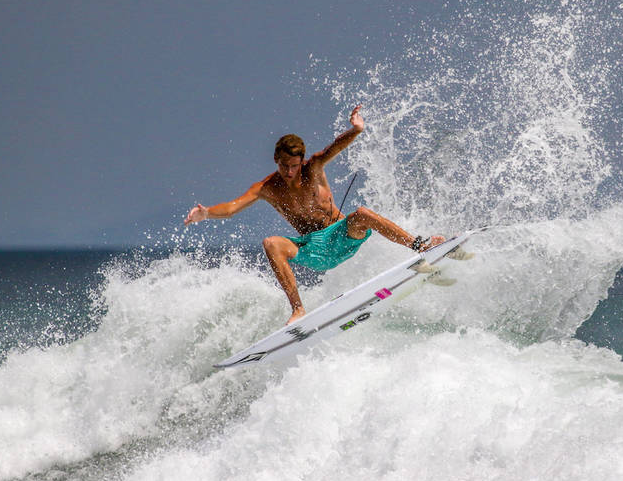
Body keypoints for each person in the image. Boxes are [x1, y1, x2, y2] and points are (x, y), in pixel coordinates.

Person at [184, 105, 444, 324]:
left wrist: (356, 129)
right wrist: (206, 213)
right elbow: (230, 208)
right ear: (276, 159)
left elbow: (335, 147)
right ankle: (298, 309)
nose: (289, 171)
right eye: (284, 165)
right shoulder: (266, 188)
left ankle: (420, 246)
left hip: (343, 235)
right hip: (314, 250)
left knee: (363, 213)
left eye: (294, 166)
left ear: (302, 162)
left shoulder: (314, 168)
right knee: (271, 243)